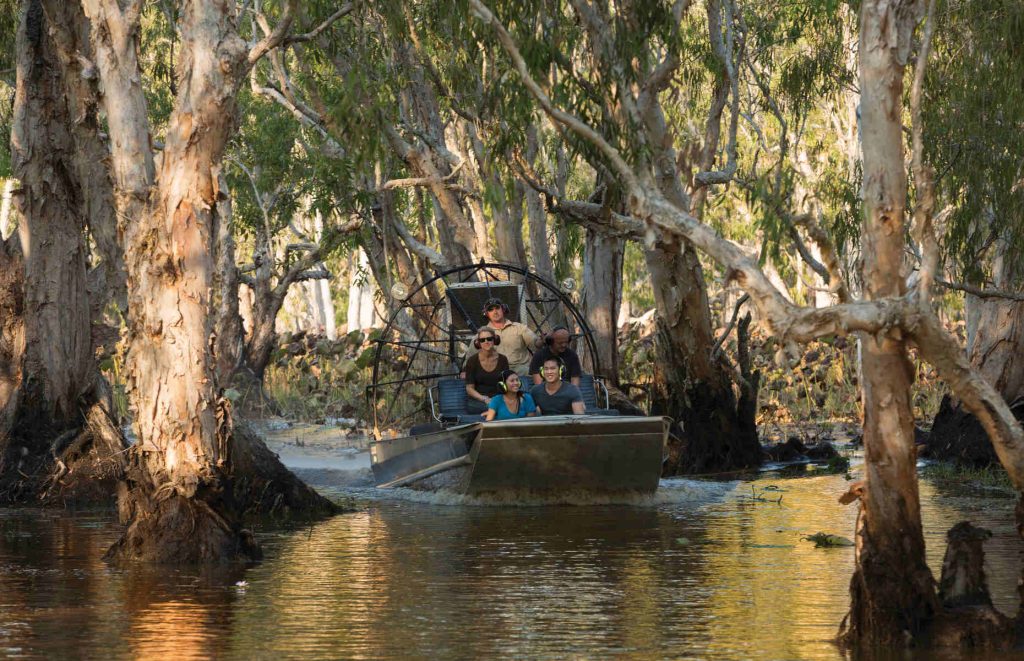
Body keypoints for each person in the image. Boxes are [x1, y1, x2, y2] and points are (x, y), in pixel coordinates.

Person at [476, 297, 541, 376]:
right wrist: (465, 370)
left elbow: (535, 343)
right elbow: (472, 354)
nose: (495, 312)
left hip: (521, 371)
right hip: (495, 372)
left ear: (503, 309)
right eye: (491, 310)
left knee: (530, 372)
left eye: (497, 308)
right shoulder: (483, 333)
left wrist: (542, 341)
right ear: (486, 314)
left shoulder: (519, 328)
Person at [463, 328, 509, 414]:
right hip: (478, 401)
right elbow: (469, 389)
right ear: (478, 343)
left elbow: (506, 384)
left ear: (495, 340)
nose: (486, 342)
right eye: (482, 340)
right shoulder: (472, 361)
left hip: (498, 399)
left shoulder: (503, 359)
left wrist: (497, 399)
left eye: (489, 339)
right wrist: (485, 399)